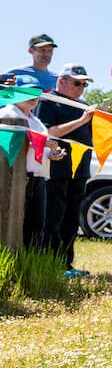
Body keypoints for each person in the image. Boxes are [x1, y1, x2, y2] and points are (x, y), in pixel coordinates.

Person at [35, 64, 96, 278]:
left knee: (72, 218)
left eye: (84, 84)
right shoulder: (50, 101)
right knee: (54, 217)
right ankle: (52, 265)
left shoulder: (83, 105)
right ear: (61, 81)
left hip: (79, 169)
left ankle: (66, 264)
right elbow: (48, 132)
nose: (81, 88)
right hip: (56, 168)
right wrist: (81, 120)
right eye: (77, 83)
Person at [0, 76, 63, 248]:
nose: (33, 96)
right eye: (27, 91)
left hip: (37, 178)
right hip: (16, 179)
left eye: (36, 92)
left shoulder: (36, 121)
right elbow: (9, 146)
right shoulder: (6, 114)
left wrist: (51, 154)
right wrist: (42, 143)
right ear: (15, 92)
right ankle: (14, 265)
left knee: (36, 226)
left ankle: (31, 264)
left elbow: (36, 148)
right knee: (15, 224)